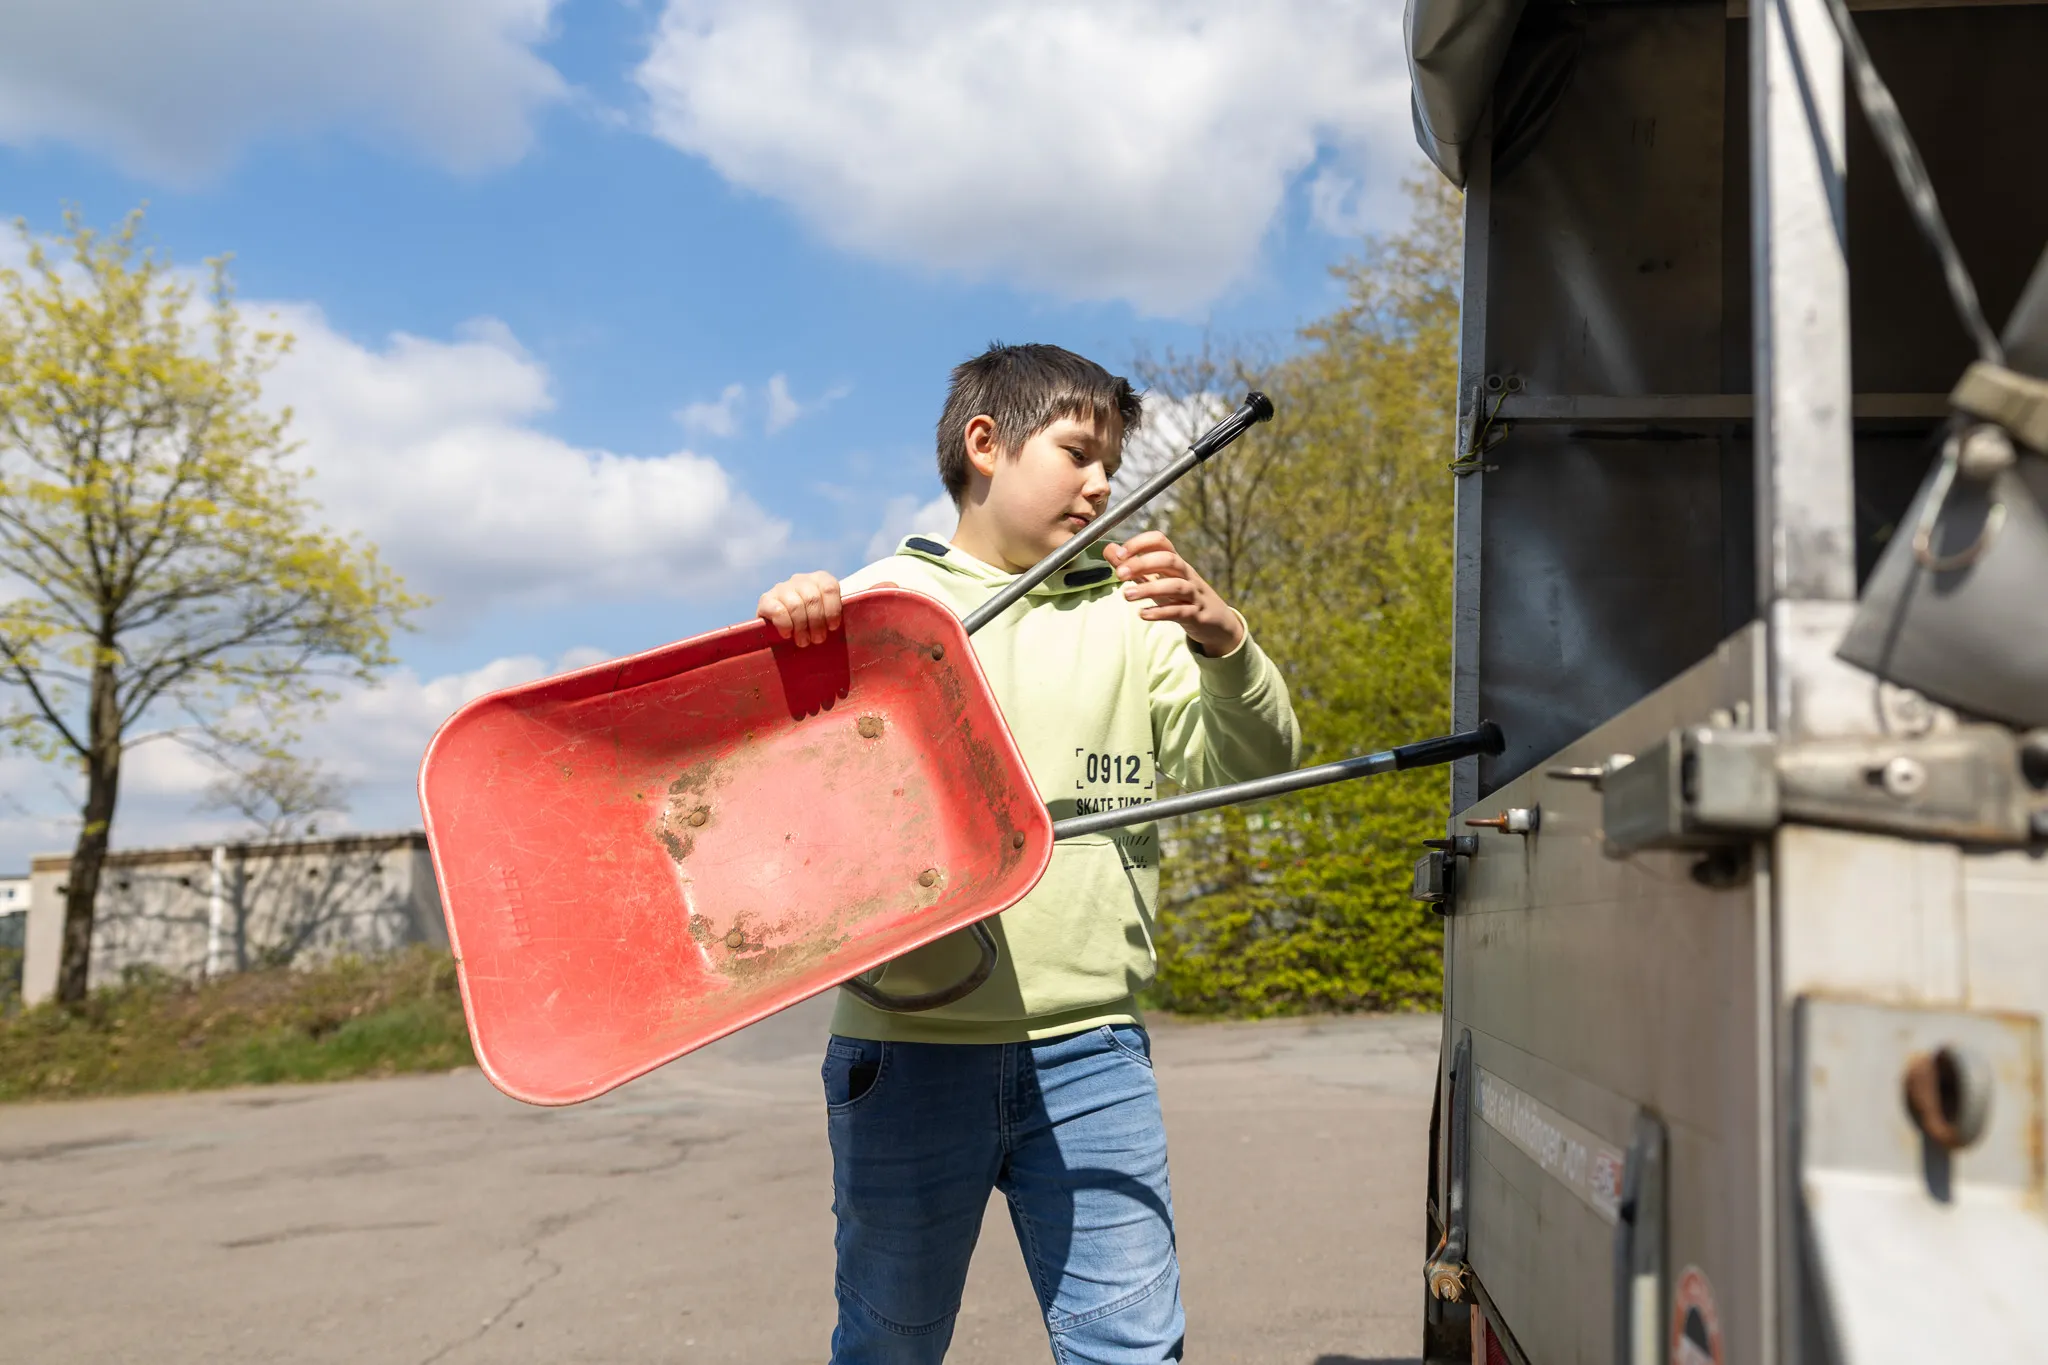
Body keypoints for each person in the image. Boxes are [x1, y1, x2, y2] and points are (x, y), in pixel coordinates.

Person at [757, 343, 1300, 1364]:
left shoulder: (1137, 614)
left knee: (1131, 1348)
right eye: (1078, 451)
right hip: (904, 1051)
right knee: (888, 1344)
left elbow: (1260, 756)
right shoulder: (875, 605)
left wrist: (1224, 640)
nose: (1103, 482)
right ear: (984, 446)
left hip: (1094, 1047)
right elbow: (787, 812)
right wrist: (793, 631)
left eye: (1112, 460)